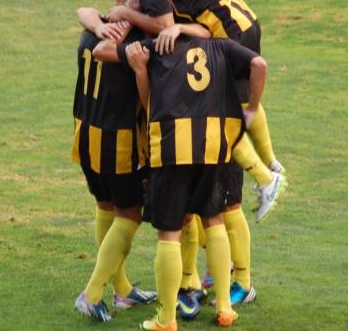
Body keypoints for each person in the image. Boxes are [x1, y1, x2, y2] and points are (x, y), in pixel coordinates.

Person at [92, 0, 287, 308]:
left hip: (227, 35)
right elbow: (174, 24)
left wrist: (126, 13)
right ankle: (202, 280)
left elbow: (164, 27)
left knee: (222, 194)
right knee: (209, 205)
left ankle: (266, 179)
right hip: (237, 22)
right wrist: (138, 11)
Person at [93, 34, 269, 330]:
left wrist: (139, 69)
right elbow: (259, 63)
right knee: (213, 221)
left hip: (172, 148)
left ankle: (166, 319)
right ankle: (225, 308)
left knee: (169, 234)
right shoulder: (220, 45)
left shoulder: (158, 47)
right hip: (213, 147)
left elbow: (148, 101)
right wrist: (253, 106)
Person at [71, 8, 157, 322]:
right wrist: (142, 70)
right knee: (130, 214)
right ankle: (92, 294)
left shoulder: (96, 29)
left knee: (106, 205)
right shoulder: (138, 45)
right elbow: (150, 103)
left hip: (84, 131)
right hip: (117, 138)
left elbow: (84, 10)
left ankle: (122, 289)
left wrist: (97, 22)